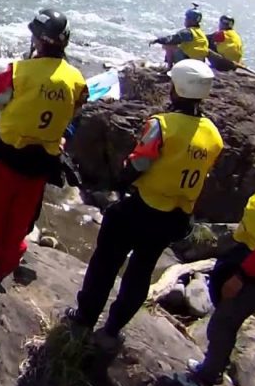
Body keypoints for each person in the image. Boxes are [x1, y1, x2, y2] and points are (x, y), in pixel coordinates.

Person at [64, 59, 223, 354]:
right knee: (141, 270)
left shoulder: (162, 125)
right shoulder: (213, 135)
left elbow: (140, 163)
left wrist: (119, 182)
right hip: (175, 216)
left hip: (143, 207)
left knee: (105, 263)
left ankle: (85, 317)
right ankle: (113, 328)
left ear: (178, 88)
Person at [0, 9, 87, 283]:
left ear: (39, 41)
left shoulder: (19, 72)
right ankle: (6, 264)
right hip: (41, 162)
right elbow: (76, 114)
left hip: (7, 156)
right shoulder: (77, 80)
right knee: (20, 218)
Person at [157, 188, 255, 386]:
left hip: (252, 270)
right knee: (224, 316)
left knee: (223, 322)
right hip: (246, 251)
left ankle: (205, 380)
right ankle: (214, 366)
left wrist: (242, 276)